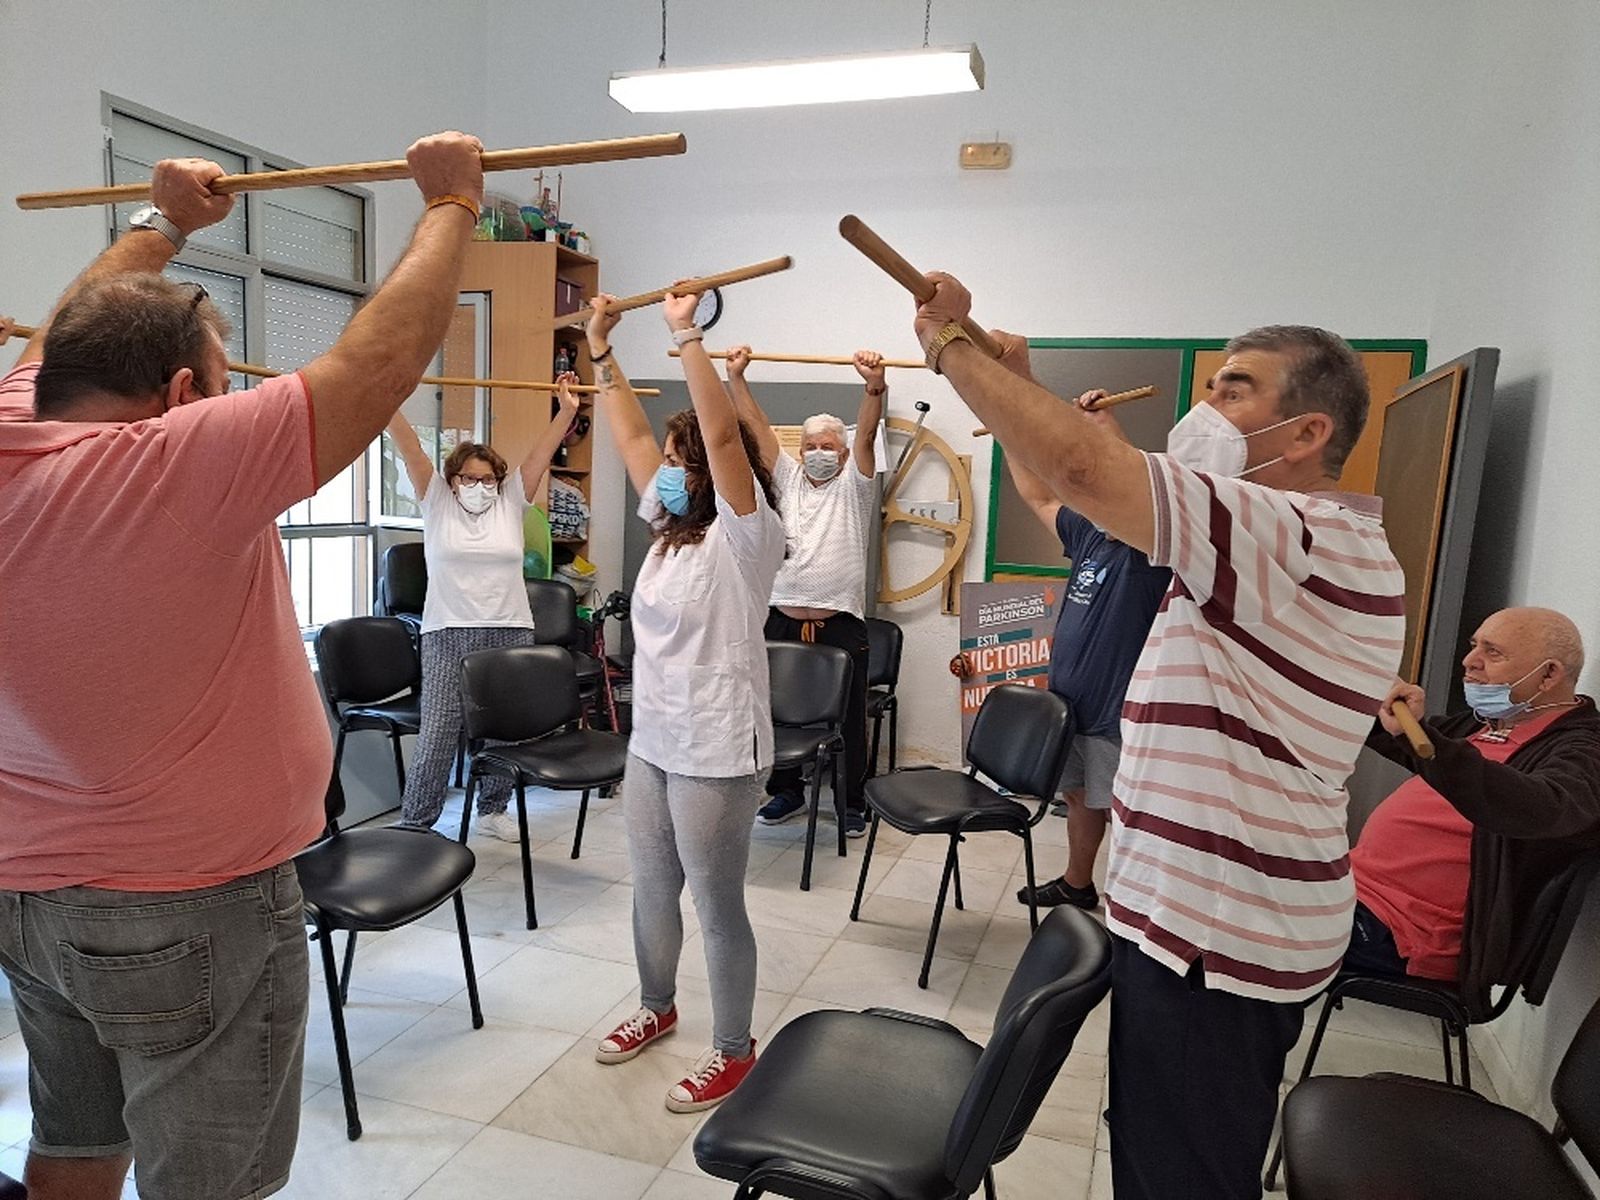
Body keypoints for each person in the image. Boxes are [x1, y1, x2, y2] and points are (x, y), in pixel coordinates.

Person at [0, 133, 487, 1200]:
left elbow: (68, 327)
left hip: (31, 894)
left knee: (74, 1145)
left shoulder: (14, 420)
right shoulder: (175, 463)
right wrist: (452, 205)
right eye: (219, 390)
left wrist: (162, 223)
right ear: (181, 393)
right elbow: (376, 365)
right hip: (187, 904)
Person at [910, 278, 1405, 1200]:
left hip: (1217, 938)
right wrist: (1023, 377)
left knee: (1181, 1174)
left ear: (1307, 434)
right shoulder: (1252, 542)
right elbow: (1071, 477)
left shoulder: (1290, 533)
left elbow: (1091, 471)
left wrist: (952, 348)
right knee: (1158, 1146)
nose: (1205, 407)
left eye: (1233, 389)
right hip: (1197, 925)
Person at [583, 292, 785, 1113]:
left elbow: (726, 436)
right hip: (654, 740)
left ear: (707, 468)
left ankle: (735, 1051)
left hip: (719, 748)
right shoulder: (670, 530)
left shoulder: (748, 535)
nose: (662, 465)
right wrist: (600, 350)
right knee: (649, 885)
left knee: (714, 899)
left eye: (680, 455)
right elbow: (630, 433)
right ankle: (655, 1007)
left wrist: (686, 336)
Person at [993, 346, 1171, 912]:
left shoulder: (1154, 549)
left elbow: (1133, 481)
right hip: (1073, 702)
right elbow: (1038, 494)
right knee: (1079, 796)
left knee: (1127, 810)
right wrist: (1009, 434)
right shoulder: (1093, 535)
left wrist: (1105, 431)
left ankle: (1133, 909)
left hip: (1122, 711)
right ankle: (1077, 883)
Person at [1350, 607, 1599, 988]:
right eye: (1473, 646)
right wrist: (1367, 704)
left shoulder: (1583, 749)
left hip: (1405, 931)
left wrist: (1426, 743)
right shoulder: (1489, 725)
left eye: (1492, 652)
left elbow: (1544, 808)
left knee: (1242, 934)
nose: (1469, 661)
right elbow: (1417, 746)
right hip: (1352, 891)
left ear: (1549, 674)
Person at [387, 375, 580, 839]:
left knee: (505, 729)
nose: (479, 485)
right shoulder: (437, 503)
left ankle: (493, 810)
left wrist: (567, 412)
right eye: (469, 478)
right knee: (438, 730)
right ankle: (416, 823)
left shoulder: (510, 502)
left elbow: (538, 456)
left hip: (509, 629)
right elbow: (411, 447)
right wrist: (387, 398)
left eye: (487, 478)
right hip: (447, 631)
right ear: (453, 480)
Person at [720, 344, 885, 836]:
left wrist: (873, 386)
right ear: (799, 451)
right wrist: (736, 379)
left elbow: (870, 432)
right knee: (774, 710)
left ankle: (852, 803)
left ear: (842, 451)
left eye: (829, 446)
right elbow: (755, 427)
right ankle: (786, 790)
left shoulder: (855, 485)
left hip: (840, 621)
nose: (819, 452)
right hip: (781, 619)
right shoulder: (787, 478)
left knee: (850, 716)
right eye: (811, 445)